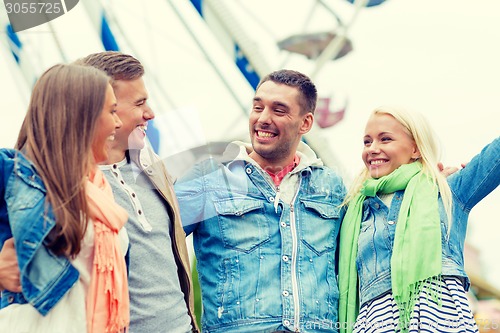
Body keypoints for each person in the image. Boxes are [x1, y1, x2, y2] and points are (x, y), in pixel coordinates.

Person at [174, 69, 347, 332]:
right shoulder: (209, 179)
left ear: (306, 123)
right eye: (258, 107)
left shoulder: (330, 187)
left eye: (279, 110)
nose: (263, 118)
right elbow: (154, 247)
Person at [338, 106, 500, 333]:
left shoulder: (447, 190)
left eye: (385, 139)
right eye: (367, 142)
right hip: (376, 324)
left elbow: (494, 158)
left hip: (442, 320)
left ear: (415, 148)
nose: (373, 149)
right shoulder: (354, 211)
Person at [0, 64, 128, 332]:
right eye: (112, 111)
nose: (118, 122)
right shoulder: (15, 175)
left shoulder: (100, 189)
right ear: (83, 116)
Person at [77, 51, 199, 333]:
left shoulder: (154, 169)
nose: (151, 113)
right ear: (104, 108)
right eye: (140, 103)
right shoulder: (67, 186)